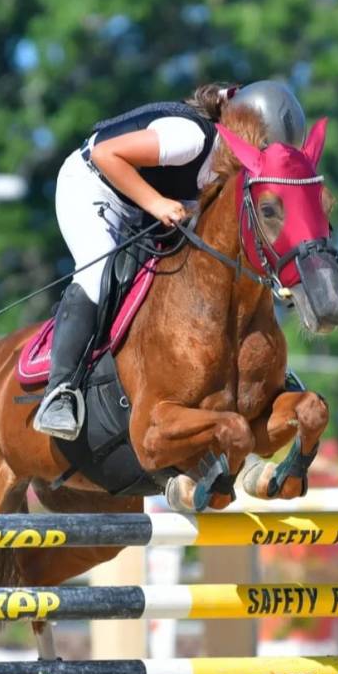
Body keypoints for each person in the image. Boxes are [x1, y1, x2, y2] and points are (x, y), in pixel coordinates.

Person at [34, 80, 308, 440]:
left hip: (146, 200)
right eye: (261, 154)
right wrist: (156, 203)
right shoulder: (190, 138)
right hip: (94, 185)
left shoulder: (230, 171)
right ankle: (60, 390)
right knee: (97, 273)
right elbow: (105, 155)